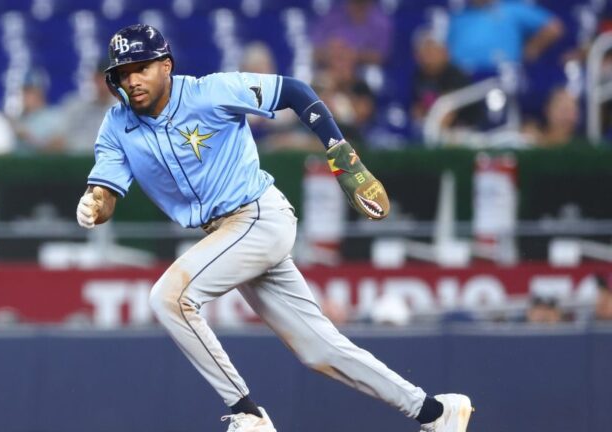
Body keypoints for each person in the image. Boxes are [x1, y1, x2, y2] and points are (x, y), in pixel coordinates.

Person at [76, 24, 472, 432]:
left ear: (166, 65)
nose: (133, 79)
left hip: (258, 216)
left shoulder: (209, 92)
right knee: (320, 350)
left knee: (169, 298)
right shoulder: (116, 126)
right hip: (226, 235)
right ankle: (437, 412)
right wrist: (93, 204)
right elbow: (105, 191)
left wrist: (338, 149)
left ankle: (247, 413)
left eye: (141, 67)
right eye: (123, 73)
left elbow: (296, 91)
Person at [447, 0, 564, 75]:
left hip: (501, 74)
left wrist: (532, 48)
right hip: (463, 77)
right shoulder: (459, 16)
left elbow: (553, 27)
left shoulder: (510, 9)